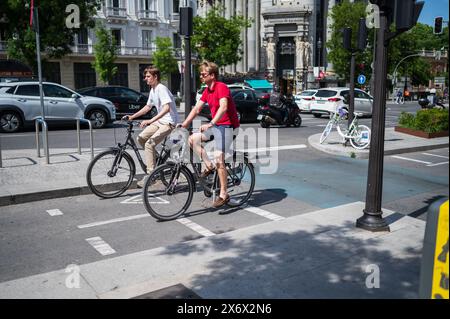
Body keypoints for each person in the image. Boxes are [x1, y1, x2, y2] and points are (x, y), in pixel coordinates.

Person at [181, 61, 240, 208]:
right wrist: (184, 124)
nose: (200, 76)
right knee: (192, 139)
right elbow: (196, 110)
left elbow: (224, 107)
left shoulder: (221, 87)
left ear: (212, 75)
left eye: (203, 74)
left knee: (219, 157)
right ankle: (209, 166)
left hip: (228, 126)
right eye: (200, 74)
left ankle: (224, 194)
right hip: (216, 126)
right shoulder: (207, 91)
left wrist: (211, 123)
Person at [122, 66, 179, 188]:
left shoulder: (161, 89)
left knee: (149, 144)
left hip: (169, 122)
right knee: (141, 138)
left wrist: (150, 120)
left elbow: (167, 108)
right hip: (160, 122)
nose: (145, 79)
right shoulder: (153, 90)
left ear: (155, 77)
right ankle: (156, 160)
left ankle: (151, 175)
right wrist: (132, 117)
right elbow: (148, 107)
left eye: (148, 76)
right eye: (145, 76)